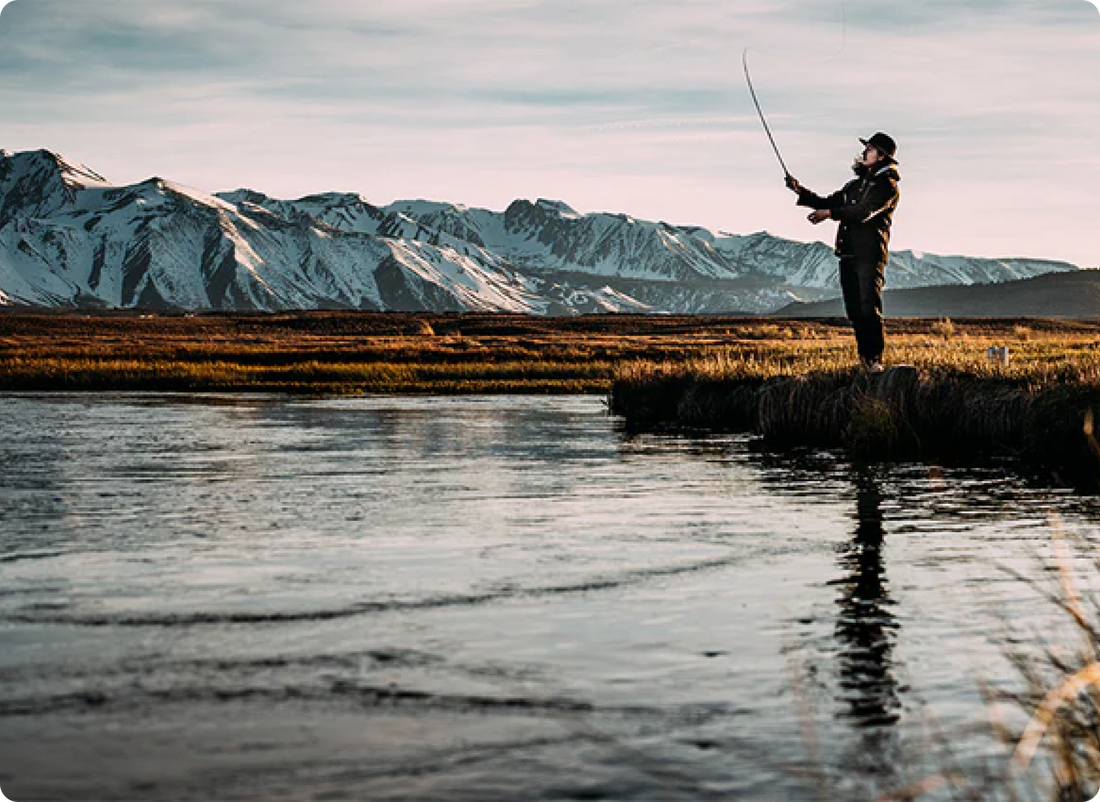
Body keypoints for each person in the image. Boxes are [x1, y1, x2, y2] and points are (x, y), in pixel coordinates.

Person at [785, 132, 901, 373]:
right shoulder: (854, 185)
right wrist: (799, 191)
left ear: (881, 156)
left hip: (870, 255)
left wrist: (829, 214)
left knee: (869, 307)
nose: (864, 152)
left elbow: (863, 212)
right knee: (855, 310)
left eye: (869, 148)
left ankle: (875, 360)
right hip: (848, 254)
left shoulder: (887, 187)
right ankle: (865, 361)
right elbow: (828, 201)